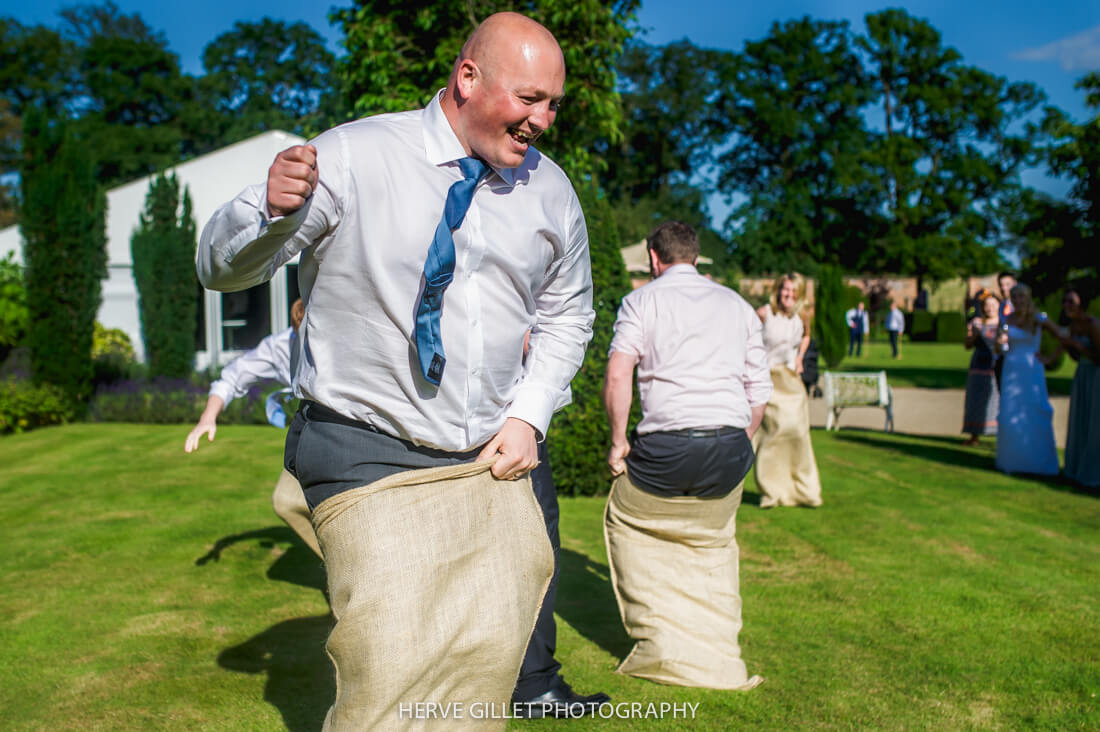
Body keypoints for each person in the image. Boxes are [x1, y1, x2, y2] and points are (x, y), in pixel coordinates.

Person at [197, 12, 604, 727]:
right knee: (391, 663)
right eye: (529, 98)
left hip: (493, 456)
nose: (543, 119)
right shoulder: (354, 156)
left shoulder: (552, 191)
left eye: (554, 104)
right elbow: (221, 270)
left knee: (484, 656)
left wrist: (529, 413)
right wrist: (266, 209)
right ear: (467, 77)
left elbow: (570, 313)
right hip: (365, 449)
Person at [602, 221, 769, 690]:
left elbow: (618, 377)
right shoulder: (738, 306)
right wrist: (739, 438)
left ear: (654, 258)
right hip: (732, 446)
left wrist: (618, 444)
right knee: (711, 542)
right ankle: (718, 658)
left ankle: (661, 647)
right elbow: (759, 391)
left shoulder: (641, 301)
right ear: (696, 257)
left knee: (629, 522)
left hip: (665, 449)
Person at [184, 299, 320, 558]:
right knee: (286, 502)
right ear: (295, 330)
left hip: (357, 426)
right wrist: (207, 418)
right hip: (312, 427)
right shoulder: (279, 347)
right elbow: (232, 377)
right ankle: (344, 567)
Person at [753, 273, 822, 508]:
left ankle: (803, 490)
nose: (788, 295)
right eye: (785, 290)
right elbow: (747, 339)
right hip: (769, 380)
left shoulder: (802, 315)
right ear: (778, 290)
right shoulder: (764, 313)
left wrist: (800, 357)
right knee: (774, 435)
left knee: (798, 434)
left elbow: (806, 336)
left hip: (792, 382)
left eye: (794, 291)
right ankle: (772, 491)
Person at [994, 284, 1059, 476]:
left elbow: (1063, 337)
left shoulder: (1039, 319)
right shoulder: (1006, 319)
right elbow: (998, 350)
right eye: (1015, 297)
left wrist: (1049, 359)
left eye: (1021, 296)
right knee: (1009, 413)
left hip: (1032, 370)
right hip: (1011, 369)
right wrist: (999, 344)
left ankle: (1038, 463)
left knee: (1035, 411)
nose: (1018, 300)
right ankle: (1012, 460)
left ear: (1028, 297)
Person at [1048, 289, 1100, 487]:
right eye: (1064, 301)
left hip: (1096, 375)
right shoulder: (1073, 325)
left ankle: (1094, 473)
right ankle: (1076, 469)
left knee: (1095, 423)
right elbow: (1077, 358)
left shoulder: (1093, 324)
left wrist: (1077, 347)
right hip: (1082, 375)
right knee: (1081, 419)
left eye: (1071, 301)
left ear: (1082, 304)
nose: (1066, 305)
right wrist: (1069, 348)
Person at [961, 295, 1000, 447]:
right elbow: (967, 345)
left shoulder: (1005, 323)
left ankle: (999, 434)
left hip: (997, 365)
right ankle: (974, 435)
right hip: (978, 366)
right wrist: (974, 335)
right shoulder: (976, 323)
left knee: (996, 400)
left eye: (992, 304)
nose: (989, 308)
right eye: (986, 305)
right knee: (975, 400)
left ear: (999, 305)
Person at [994, 271, 1017, 390]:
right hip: (1002, 357)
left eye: (1007, 285)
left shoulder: (1022, 307)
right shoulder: (1002, 306)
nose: (1003, 288)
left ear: (1015, 284)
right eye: (1001, 285)